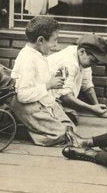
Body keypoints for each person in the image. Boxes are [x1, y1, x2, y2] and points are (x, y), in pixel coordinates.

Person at [10, 16, 82, 147]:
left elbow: (40, 78)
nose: (56, 45)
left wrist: (55, 75)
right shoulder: (28, 59)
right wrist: (48, 85)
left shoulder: (39, 54)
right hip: (27, 105)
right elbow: (22, 94)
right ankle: (20, 131)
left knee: (70, 128)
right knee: (62, 134)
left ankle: (39, 127)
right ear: (40, 40)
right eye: (54, 40)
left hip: (42, 100)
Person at [47, 33, 107, 121]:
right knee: (69, 120)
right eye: (93, 60)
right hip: (44, 99)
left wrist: (98, 109)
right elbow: (65, 96)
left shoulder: (81, 57)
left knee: (71, 116)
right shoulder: (69, 61)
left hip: (58, 99)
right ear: (82, 51)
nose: (94, 65)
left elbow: (87, 86)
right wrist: (92, 109)